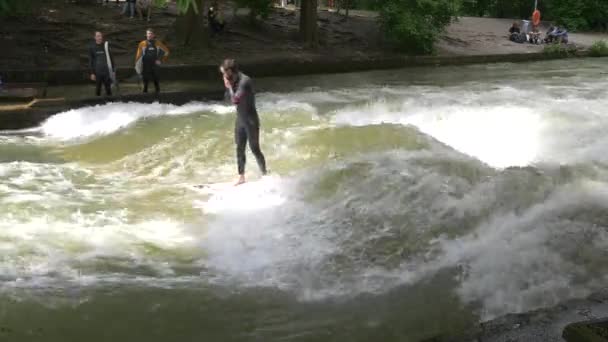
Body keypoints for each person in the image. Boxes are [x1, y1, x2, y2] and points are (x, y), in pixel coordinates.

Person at [220, 59, 268, 185]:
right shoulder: (232, 79)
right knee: (239, 148)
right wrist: (229, 86)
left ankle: (264, 175)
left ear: (231, 71)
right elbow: (227, 100)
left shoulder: (244, 81)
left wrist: (229, 86)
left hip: (251, 120)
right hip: (240, 119)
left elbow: (235, 100)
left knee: (254, 149)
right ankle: (241, 177)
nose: (224, 76)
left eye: (225, 73)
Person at [135, 28, 170, 95]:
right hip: (145, 64)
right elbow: (138, 55)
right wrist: (137, 65)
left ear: (154, 35)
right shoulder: (142, 43)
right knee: (145, 78)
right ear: (146, 35)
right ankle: (145, 92)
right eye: (148, 33)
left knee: (156, 77)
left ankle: (158, 92)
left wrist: (160, 60)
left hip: (155, 64)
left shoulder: (158, 43)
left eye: (151, 33)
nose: (149, 35)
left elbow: (167, 51)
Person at [88, 31, 116, 97]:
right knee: (98, 89)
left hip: (107, 71)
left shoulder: (106, 46)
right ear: (94, 37)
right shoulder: (92, 47)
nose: (99, 37)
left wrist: (113, 70)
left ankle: (110, 103)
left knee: (108, 89)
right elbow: (91, 61)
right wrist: (92, 73)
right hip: (98, 72)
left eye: (100, 36)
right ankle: (97, 104)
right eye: (98, 36)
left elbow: (111, 58)